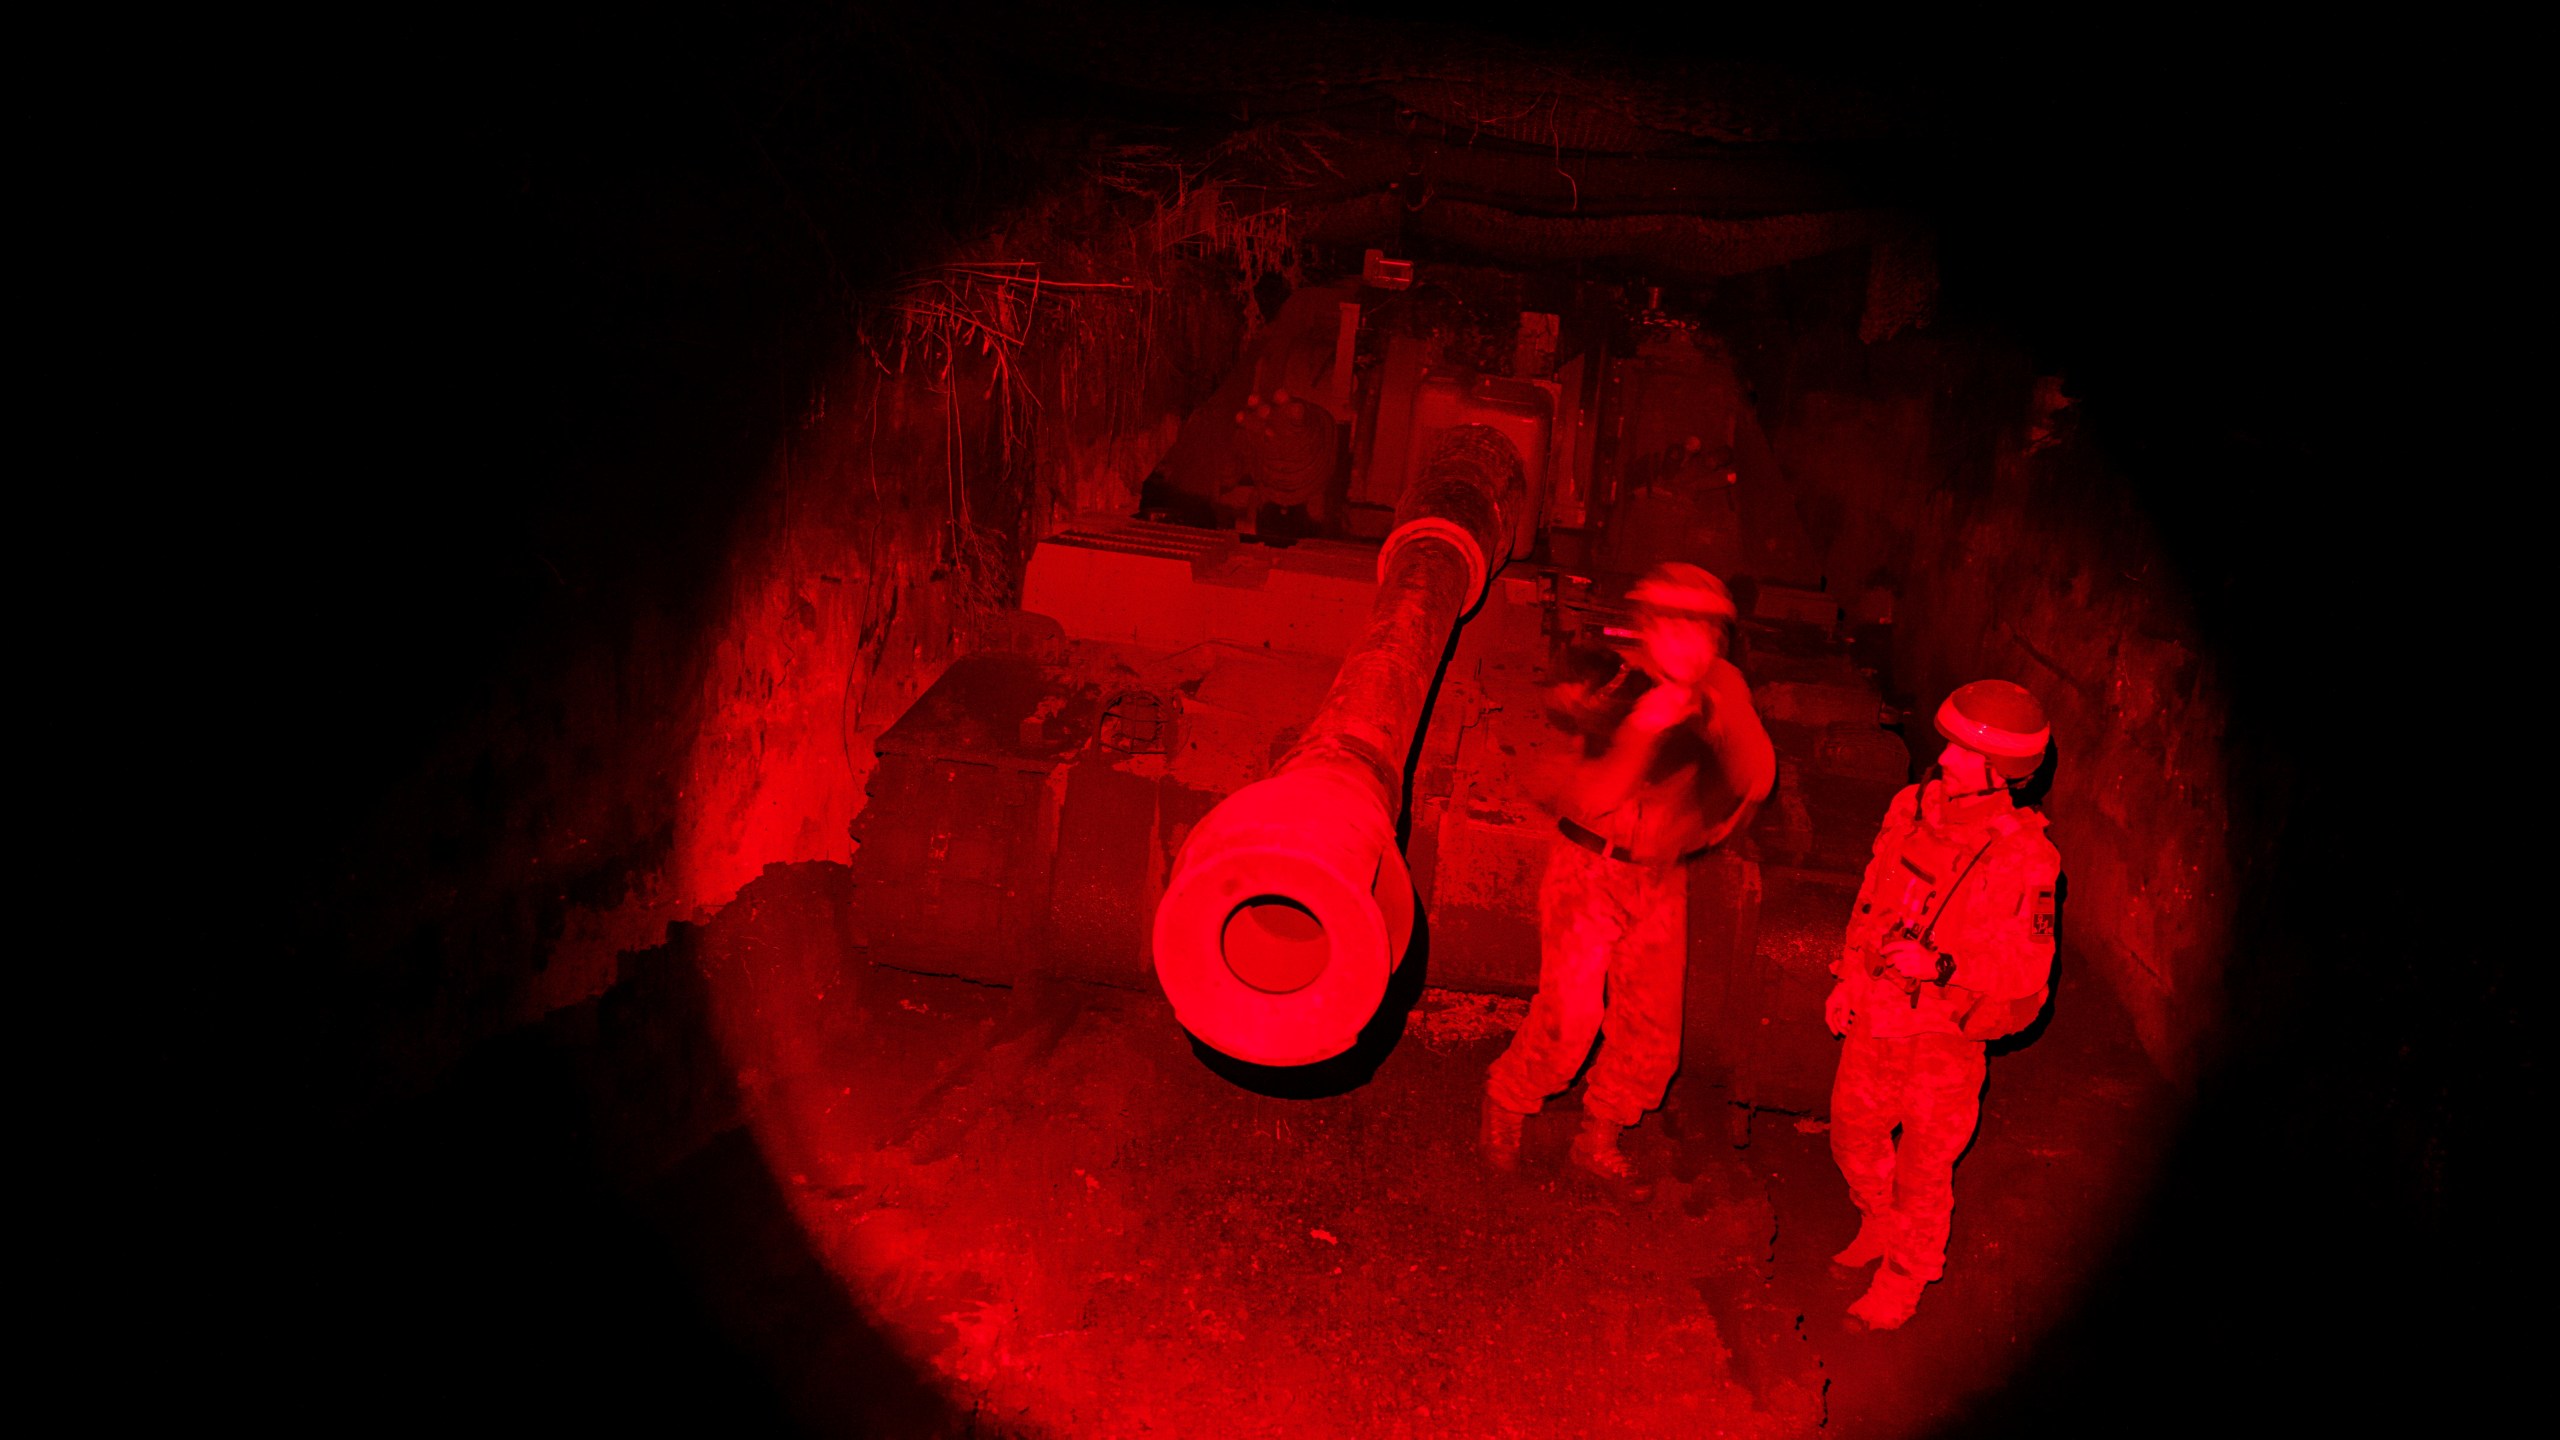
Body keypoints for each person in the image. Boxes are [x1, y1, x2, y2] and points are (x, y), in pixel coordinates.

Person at [1481, 563, 1776, 1192]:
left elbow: (1759, 776)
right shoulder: (1606, 681)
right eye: (1675, 629)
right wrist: (1645, 728)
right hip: (1589, 869)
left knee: (1652, 1033)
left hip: (1660, 881)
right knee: (1571, 1019)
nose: (1690, 645)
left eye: (1703, 632)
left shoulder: (1721, 687)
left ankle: (1599, 1137)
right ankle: (1507, 1106)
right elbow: (1592, 797)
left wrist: (1710, 813)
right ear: (1647, 630)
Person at [1824, 679, 2062, 1330]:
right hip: (1876, 1012)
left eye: (1963, 750)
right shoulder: (1910, 808)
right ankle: (1876, 1222)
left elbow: (2028, 970)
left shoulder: (2027, 858)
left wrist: (1945, 965)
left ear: (1999, 773)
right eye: (1951, 744)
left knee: (1925, 1171)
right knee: (1852, 1134)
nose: (1946, 757)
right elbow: (1871, 897)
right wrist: (1848, 974)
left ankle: (1902, 1283)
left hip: (1944, 1040)